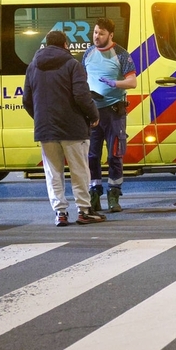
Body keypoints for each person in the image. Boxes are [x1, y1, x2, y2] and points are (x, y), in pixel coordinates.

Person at [23, 31, 106, 226]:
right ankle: (84, 210)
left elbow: (27, 100)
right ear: (65, 45)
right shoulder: (72, 65)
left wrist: (41, 118)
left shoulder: (33, 67)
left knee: (53, 172)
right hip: (73, 127)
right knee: (79, 170)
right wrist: (93, 115)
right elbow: (81, 96)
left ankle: (60, 213)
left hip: (46, 129)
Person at [83, 17, 137, 213]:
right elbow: (83, 78)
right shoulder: (88, 53)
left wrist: (115, 84)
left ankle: (114, 195)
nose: (97, 37)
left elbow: (132, 82)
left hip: (114, 111)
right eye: (95, 32)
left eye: (101, 34)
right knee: (92, 155)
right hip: (92, 112)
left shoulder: (121, 55)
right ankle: (94, 193)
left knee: (115, 154)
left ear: (110, 35)